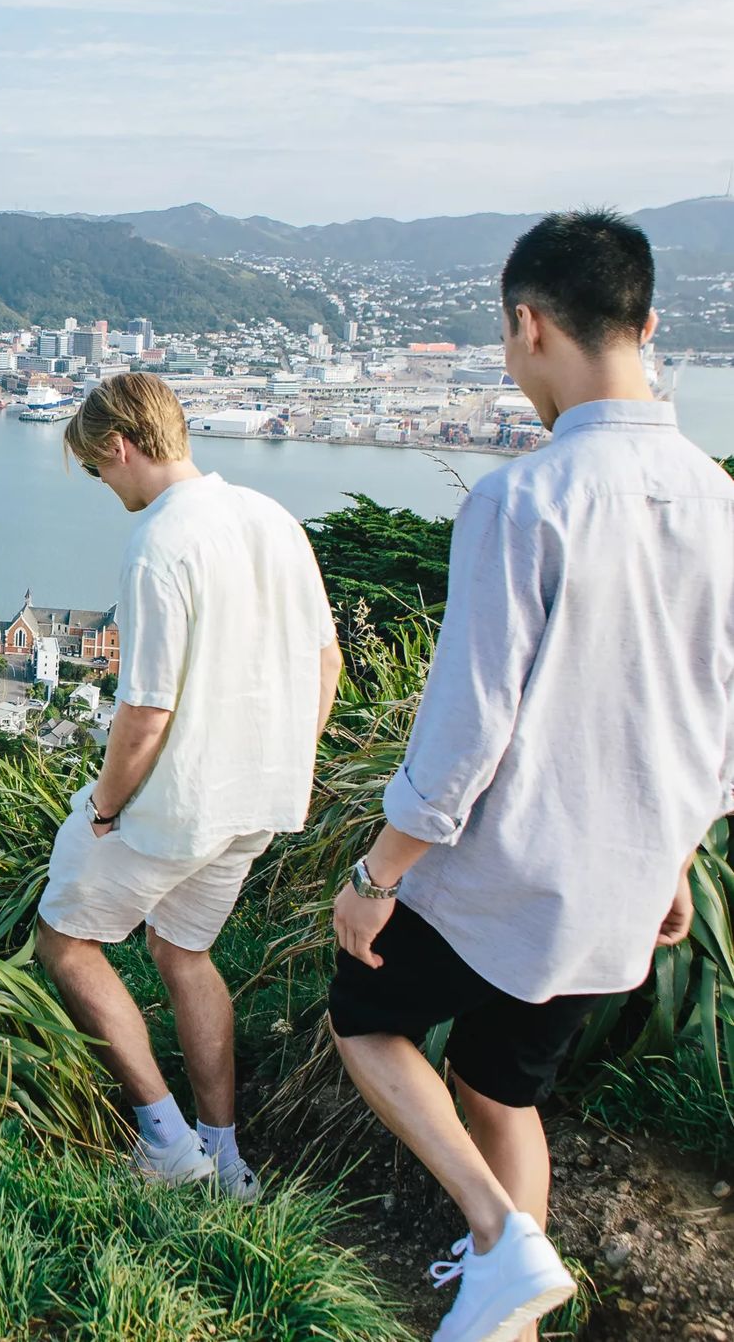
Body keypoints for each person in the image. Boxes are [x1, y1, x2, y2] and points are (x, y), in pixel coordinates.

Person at [328, 210, 734, 1342]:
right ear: (649, 325)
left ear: (528, 325)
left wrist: (376, 871)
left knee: (364, 1015)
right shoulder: (722, 501)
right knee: (504, 1085)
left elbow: (467, 732)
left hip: (503, 872)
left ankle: (503, 1239)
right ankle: (517, 1305)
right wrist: (679, 859)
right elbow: (721, 724)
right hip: (625, 883)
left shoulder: (524, 499)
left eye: (508, 344)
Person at [36, 372, 343, 1196]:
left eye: (99, 472)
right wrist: (282, 754)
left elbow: (145, 712)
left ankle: (167, 1145)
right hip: (261, 798)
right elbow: (327, 664)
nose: (106, 488)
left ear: (120, 447)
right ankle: (227, 1153)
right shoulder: (272, 519)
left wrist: (104, 808)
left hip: (178, 804)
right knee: (185, 950)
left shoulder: (160, 543)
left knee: (65, 940)